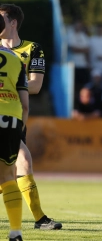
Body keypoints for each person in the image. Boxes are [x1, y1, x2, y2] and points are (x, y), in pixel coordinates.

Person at [0, 4, 62, 230]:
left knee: (19, 164)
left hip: (13, 116)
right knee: (18, 165)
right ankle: (39, 219)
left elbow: (35, 85)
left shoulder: (32, 49)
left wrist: (12, 81)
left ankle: (39, 220)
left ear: (13, 22)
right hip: (9, 116)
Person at [0, 13, 28, 241]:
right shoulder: (16, 59)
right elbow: (25, 104)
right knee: (9, 175)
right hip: (10, 119)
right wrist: (19, 130)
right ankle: (16, 232)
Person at [67, 19, 91, 101]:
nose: (79, 27)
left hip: (83, 65)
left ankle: (82, 104)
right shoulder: (70, 35)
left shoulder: (83, 35)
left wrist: (88, 63)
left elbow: (88, 50)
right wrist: (83, 50)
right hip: (73, 65)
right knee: (74, 86)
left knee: (83, 87)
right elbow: (73, 49)